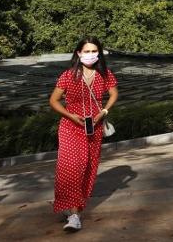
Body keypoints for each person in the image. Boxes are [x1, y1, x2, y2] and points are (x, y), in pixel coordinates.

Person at [49, 36, 118, 232]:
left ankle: (74, 207)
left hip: (94, 128)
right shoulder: (69, 75)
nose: (90, 55)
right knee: (71, 167)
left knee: (88, 167)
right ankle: (74, 216)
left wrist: (104, 111)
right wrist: (70, 115)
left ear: (99, 53)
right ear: (78, 53)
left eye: (93, 51)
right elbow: (53, 101)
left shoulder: (105, 74)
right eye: (86, 51)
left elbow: (113, 93)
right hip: (71, 126)